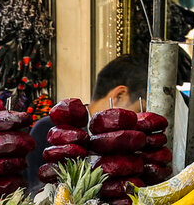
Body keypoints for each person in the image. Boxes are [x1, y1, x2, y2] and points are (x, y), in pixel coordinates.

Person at [26, 55, 147, 189]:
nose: (140, 121)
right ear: (120, 95)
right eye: (140, 111)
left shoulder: (131, 150)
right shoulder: (48, 130)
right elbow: (34, 193)